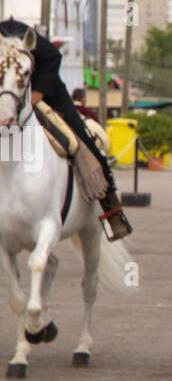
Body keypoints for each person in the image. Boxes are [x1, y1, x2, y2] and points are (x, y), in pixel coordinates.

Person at [0, 17, 131, 239]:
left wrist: (38, 94)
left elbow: (53, 56)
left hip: (46, 91)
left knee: (82, 137)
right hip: (8, 97)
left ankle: (110, 206)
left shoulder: (15, 30)